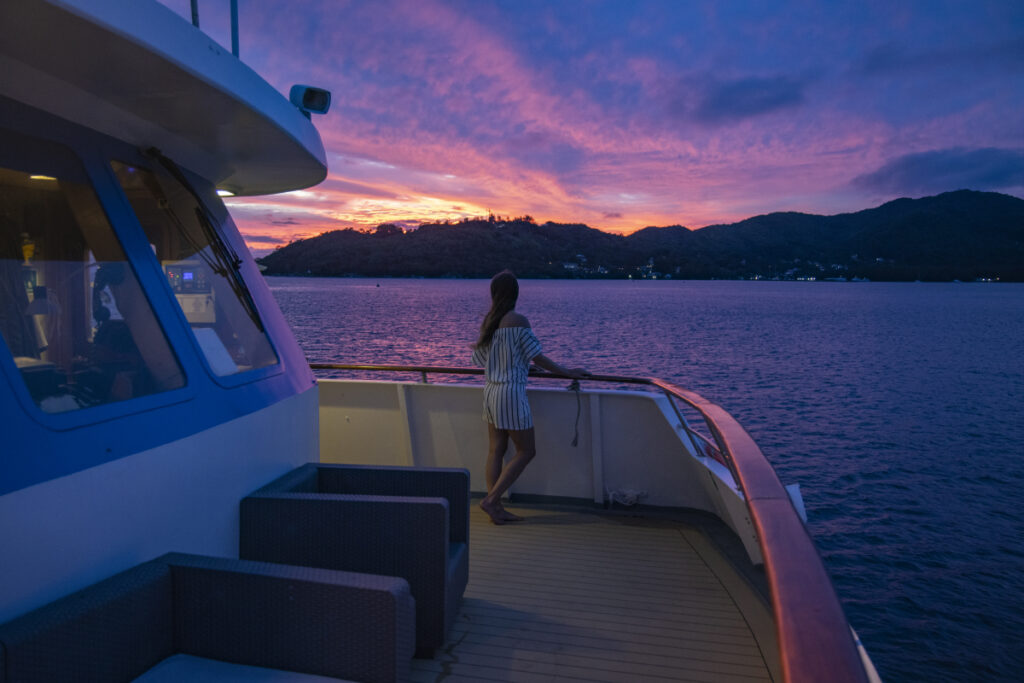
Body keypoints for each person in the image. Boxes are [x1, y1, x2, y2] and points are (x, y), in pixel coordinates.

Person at [471, 270, 587, 524]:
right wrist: (567, 372)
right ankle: (491, 502)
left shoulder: (491, 322)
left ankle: (496, 509)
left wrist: (522, 365)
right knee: (526, 450)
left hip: (491, 390)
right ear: (515, 293)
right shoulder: (518, 320)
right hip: (510, 393)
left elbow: (481, 359)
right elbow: (538, 355)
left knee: (496, 450)